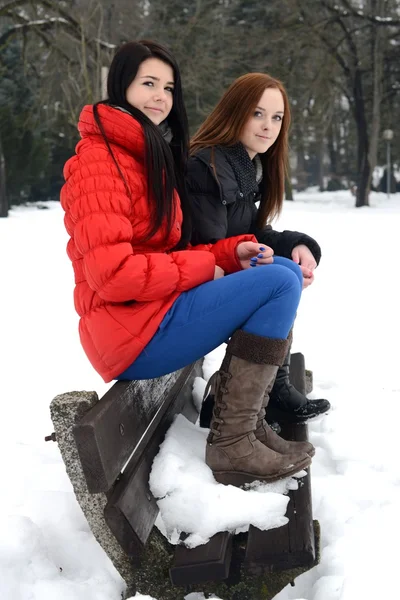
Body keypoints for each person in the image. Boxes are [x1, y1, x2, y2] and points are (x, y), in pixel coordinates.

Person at [60, 40, 314, 488]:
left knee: (284, 273)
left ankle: (246, 426)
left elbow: (167, 251)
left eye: (169, 87)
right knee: (278, 281)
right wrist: (206, 268)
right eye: (149, 84)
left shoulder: (147, 157)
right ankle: (233, 442)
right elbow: (114, 276)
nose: (161, 97)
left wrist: (227, 253)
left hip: (153, 316)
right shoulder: (100, 164)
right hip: (132, 333)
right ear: (121, 87)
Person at [187, 72, 331, 427]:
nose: (269, 126)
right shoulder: (207, 166)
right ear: (235, 112)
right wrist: (278, 266)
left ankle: (269, 389)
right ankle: (271, 391)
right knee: (280, 277)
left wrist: (298, 245)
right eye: (257, 113)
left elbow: (250, 233)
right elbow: (208, 249)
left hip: (206, 288)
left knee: (282, 271)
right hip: (189, 292)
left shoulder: (243, 167)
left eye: (277, 117)